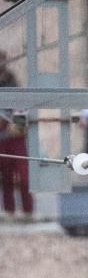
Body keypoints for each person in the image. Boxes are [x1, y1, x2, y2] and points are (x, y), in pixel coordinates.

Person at [0, 52, 31, 219]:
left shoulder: (12, 82)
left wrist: (17, 125)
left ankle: (28, 211)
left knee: (24, 175)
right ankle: (9, 211)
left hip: (15, 138)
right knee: (6, 177)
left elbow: (21, 106)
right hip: (2, 139)